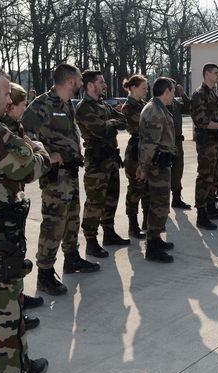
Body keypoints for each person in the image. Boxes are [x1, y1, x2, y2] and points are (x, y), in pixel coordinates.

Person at [0, 64, 49, 373]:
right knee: (6, 299)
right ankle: (13, 371)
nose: (9, 101)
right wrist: (40, 151)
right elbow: (28, 169)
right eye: (5, 94)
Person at [22, 64, 99, 296]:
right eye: (78, 79)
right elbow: (22, 131)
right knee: (54, 223)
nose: (81, 82)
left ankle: (72, 258)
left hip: (71, 172)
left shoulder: (66, 104)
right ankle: (45, 273)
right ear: (69, 81)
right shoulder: (43, 104)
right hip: (56, 177)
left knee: (72, 219)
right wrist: (45, 153)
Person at [0, 82, 54, 330]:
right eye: (21, 106)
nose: (24, 111)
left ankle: (18, 300)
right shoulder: (0, 130)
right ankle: (12, 311)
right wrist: (40, 151)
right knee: (6, 266)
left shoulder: (12, 126)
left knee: (14, 259)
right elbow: (27, 168)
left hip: (8, 202)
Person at [76, 70, 130, 258]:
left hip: (111, 160)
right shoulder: (84, 107)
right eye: (101, 82)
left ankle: (109, 232)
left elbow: (124, 120)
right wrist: (111, 124)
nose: (105, 85)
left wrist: (110, 123)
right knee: (95, 202)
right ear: (90, 85)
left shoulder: (103, 105)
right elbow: (99, 130)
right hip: (97, 162)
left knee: (112, 198)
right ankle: (91, 241)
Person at [136, 77, 177, 263]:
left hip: (160, 163)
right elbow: (150, 144)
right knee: (159, 205)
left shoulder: (158, 107)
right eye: (173, 91)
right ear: (166, 91)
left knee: (160, 204)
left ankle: (156, 238)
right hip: (156, 166)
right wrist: (143, 167)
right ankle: (152, 247)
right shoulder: (155, 111)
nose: (174, 95)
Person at [190, 63, 218, 230]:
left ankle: (211, 208)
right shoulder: (200, 94)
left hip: (216, 141)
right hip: (207, 143)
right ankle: (201, 214)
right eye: (216, 73)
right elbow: (202, 121)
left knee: (214, 176)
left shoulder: (212, 93)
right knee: (205, 177)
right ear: (207, 74)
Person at [121, 74, 149, 239]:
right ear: (133, 88)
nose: (146, 91)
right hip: (135, 152)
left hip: (146, 149)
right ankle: (133, 225)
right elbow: (142, 126)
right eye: (143, 88)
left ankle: (147, 221)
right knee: (136, 189)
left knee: (148, 189)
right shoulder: (128, 107)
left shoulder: (144, 105)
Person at [168, 80, 192, 210]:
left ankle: (176, 198)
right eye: (172, 88)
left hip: (177, 142)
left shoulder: (175, 103)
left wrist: (183, 95)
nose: (174, 91)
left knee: (178, 170)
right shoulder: (158, 105)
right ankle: (161, 203)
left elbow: (189, 109)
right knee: (163, 173)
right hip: (165, 143)